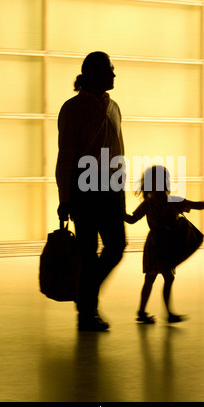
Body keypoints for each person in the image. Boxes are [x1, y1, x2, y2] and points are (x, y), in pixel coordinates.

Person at [56, 51, 126, 331]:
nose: (114, 74)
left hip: (109, 188)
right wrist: (65, 198)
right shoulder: (72, 109)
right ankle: (87, 312)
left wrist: (120, 188)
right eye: (110, 69)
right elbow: (66, 155)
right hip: (84, 190)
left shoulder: (114, 107)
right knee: (88, 251)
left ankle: (85, 297)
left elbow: (119, 150)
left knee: (116, 246)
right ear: (94, 74)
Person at [124, 165, 204, 324]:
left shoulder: (163, 202)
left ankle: (145, 312)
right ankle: (161, 313)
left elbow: (194, 204)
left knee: (155, 278)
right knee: (162, 277)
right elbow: (132, 219)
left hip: (163, 244)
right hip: (158, 245)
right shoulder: (156, 203)